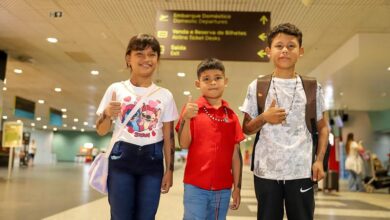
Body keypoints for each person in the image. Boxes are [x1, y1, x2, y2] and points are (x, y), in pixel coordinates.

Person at [241, 23, 329, 220]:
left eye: (291, 46)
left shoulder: (313, 87)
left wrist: (319, 161)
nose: (285, 51)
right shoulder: (257, 85)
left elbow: (323, 128)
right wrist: (264, 118)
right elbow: (245, 129)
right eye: (279, 46)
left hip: (301, 170)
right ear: (268, 51)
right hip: (266, 172)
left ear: (301, 51)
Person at [96, 33, 178, 220]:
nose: (146, 59)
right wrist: (107, 113)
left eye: (152, 54)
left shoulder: (165, 95)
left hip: (152, 161)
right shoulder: (116, 89)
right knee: (120, 216)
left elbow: (169, 136)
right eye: (140, 54)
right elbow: (101, 130)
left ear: (157, 59)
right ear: (128, 58)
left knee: (147, 216)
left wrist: (170, 170)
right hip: (121, 159)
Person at [175, 58, 245, 220]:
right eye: (206, 79)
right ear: (198, 83)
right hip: (195, 186)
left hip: (223, 189)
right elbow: (184, 144)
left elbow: (236, 155)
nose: (212, 82)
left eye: (217, 78)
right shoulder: (192, 110)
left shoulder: (231, 115)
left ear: (225, 81)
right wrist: (186, 119)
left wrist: (238, 187)